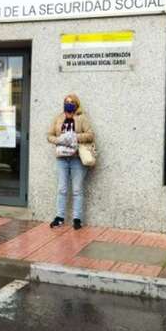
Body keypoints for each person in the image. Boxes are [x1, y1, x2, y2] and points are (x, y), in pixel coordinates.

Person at [47, 94, 95, 230]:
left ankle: (77, 219)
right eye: (66, 102)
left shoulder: (81, 117)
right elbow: (49, 135)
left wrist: (75, 137)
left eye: (71, 102)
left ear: (76, 104)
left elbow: (91, 135)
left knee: (77, 190)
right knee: (61, 189)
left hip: (77, 159)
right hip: (62, 158)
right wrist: (59, 140)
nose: (68, 104)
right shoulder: (59, 117)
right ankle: (59, 218)